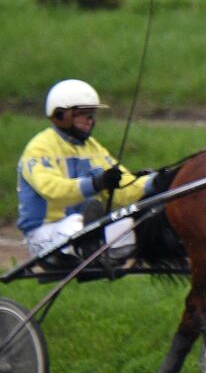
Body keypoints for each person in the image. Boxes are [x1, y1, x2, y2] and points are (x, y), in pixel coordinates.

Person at [16, 79, 157, 267]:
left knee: (132, 225)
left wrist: (156, 182)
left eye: (91, 114)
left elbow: (124, 190)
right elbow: (52, 191)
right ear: (60, 115)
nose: (90, 120)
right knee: (77, 222)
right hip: (44, 235)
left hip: (86, 230)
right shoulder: (39, 148)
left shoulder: (93, 148)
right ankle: (94, 251)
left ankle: (98, 252)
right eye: (82, 114)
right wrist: (97, 183)